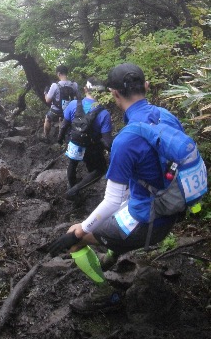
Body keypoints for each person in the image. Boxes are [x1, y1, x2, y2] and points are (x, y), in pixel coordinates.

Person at [49, 63, 183, 315]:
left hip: (148, 222)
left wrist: (78, 233)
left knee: (76, 236)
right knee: (114, 215)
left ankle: (104, 294)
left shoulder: (126, 139)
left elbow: (112, 201)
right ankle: (109, 258)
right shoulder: (167, 117)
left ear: (113, 93)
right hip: (170, 209)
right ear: (146, 86)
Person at [57, 78, 113, 200]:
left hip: (75, 141)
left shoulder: (73, 104)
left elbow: (64, 125)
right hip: (92, 147)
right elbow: (107, 142)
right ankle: (74, 190)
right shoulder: (104, 114)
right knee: (100, 169)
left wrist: (60, 139)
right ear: (101, 93)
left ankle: (72, 189)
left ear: (85, 89)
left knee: (73, 164)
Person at [43, 65, 78, 141]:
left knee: (47, 118)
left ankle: (46, 136)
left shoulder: (55, 85)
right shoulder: (74, 84)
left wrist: (45, 92)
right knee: (62, 119)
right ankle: (61, 138)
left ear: (59, 74)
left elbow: (47, 100)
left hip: (56, 110)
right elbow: (77, 98)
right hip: (70, 110)